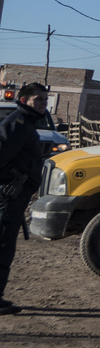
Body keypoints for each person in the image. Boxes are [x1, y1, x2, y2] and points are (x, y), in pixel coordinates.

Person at [0, 82, 51, 316]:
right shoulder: (17, 123)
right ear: (24, 100)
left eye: (45, 100)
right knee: (2, 245)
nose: (43, 104)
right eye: (38, 99)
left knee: (6, 245)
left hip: (15, 196)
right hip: (8, 196)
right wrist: (11, 180)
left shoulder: (26, 123)